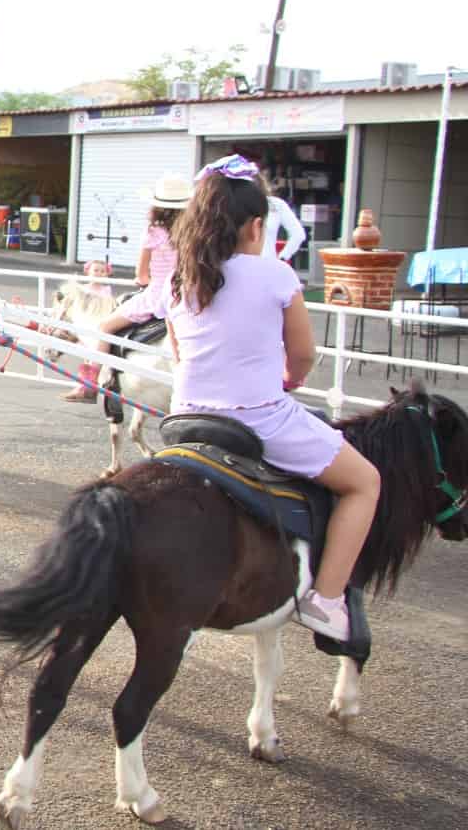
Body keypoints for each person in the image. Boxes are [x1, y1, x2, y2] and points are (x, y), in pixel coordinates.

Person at [165, 153, 378, 644]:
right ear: (256, 226)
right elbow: (302, 356)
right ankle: (324, 600)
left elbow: (180, 356)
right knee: (365, 482)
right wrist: (287, 378)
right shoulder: (277, 275)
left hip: (184, 419)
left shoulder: (180, 279)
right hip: (260, 421)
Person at [64, 174, 191, 403]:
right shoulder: (193, 234)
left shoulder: (153, 232)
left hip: (157, 296)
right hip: (185, 295)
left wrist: (146, 280)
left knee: (104, 327)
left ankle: (91, 383)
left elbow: (141, 274)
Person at [262, 183, 307, 265]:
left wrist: (282, 258)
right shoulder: (276, 203)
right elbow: (298, 234)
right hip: (268, 266)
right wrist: (282, 258)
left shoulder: (276, 204)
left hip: (267, 266)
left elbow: (299, 234)